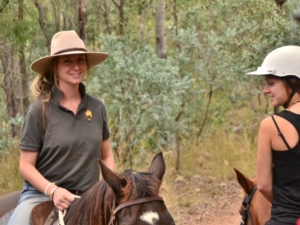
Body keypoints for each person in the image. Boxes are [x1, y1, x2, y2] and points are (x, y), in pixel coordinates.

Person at [7, 30, 115, 224]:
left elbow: (106, 155)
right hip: (42, 195)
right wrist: (53, 190)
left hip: (88, 197)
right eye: (67, 61)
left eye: (80, 60)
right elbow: (25, 165)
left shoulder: (97, 107)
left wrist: (107, 188)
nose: (75, 66)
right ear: (55, 66)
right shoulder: (38, 111)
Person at [246, 45, 300, 225]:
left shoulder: (272, 125)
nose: (265, 90)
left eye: (271, 83)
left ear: (293, 82)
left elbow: (263, 186)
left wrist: (287, 204)